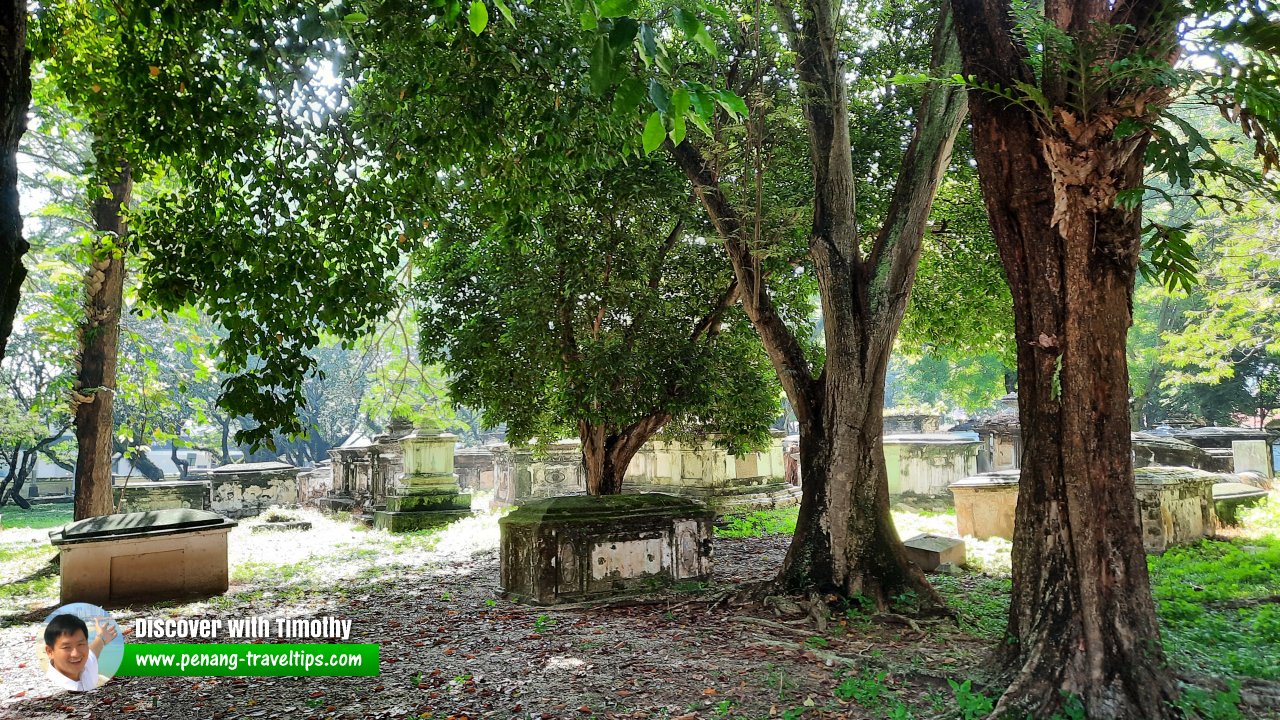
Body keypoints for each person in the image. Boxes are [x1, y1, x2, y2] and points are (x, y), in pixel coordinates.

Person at [43, 613, 117, 691]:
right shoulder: (51, 688)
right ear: (50, 652)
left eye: (80, 644)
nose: (76, 654)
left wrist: (101, 637)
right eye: (66, 647)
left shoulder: (86, 666)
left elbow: (93, 651)